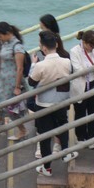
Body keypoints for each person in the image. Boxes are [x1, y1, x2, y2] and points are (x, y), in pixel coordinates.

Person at [29, 31, 78, 176]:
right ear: (56, 45)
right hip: (62, 101)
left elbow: (31, 82)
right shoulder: (67, 62)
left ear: (43, 48)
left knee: (44, 136)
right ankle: (65, 153)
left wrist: (33, 64)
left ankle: (47, 167)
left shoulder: (40, 66)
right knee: (62, 127)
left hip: (44, 104)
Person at [69, 29, 94, 147]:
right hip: (81, 86)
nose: (92, 48)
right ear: (84, 42)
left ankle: (92, 136)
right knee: (80, 112)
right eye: (91, 45)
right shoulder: (74, 51)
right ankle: (80, 137)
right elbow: (78, 70)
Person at [0, 21, 28, 139]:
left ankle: (22, 130)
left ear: (7, 33)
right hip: (3, 83)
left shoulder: (17, 47)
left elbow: (20, 68)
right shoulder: (5, 44)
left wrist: (17, 87)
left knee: (12, 109)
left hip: (12, 83)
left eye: (0, 36)